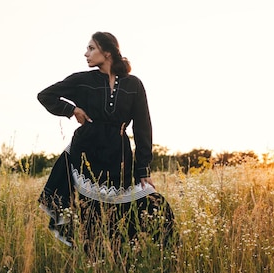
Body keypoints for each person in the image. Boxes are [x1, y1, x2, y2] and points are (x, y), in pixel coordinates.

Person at [37, 31, 175, 251]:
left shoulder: (133, 85)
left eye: (91, 48)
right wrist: (72, 109)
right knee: (90, 214)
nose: (86, 53)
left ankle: (139, 255)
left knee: (154, 207)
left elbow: (143, 128)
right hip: (86, 152)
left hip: (119, 154)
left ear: (107, 52)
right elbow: (45, 95)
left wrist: (143, 169)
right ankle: (94, 257)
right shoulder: (82, 80)